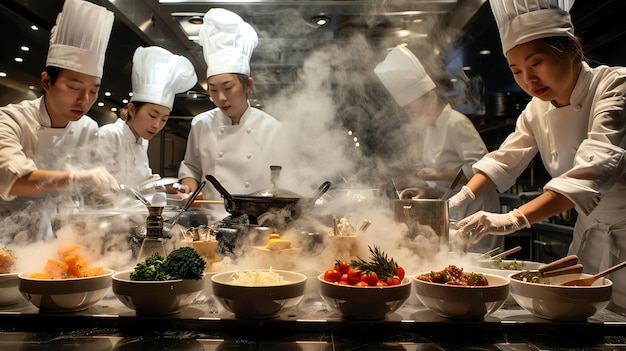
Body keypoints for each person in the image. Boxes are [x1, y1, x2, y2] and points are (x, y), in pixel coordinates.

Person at [451, 0, 626, 311]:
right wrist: (459, 198)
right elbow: (506, 158)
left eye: (536, 63)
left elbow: (591, 173)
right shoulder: (537, 109)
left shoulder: (614, 86)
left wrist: (513, 218)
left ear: (572, 48)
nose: (528, 80)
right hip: (586, 246)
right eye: (516, 70)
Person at [0, 0, 119, 242]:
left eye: (93, 91)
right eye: (74, 87)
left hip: (57, 237)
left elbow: (90, 195)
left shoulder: (88, 128)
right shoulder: (10, 119)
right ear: (46, 82)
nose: (84, 100)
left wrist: (113, 197)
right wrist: (76, 177)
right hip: (5, 237)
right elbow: (12, 180)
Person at [374, 45, 502, 252]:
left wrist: (440, 174)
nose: (409, 113)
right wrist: (427, 190)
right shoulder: (430, 130)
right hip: (456, 206)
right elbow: (447, 185)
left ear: (431, 97)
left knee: (476, 260)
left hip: (477, 205)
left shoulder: (455, 122)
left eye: (412, 106)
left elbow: (482, 169)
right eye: (406, 109)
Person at [177, 8, 282, 203]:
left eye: (228, 87)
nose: (221, 98)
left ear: (247, 85)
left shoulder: (271, 128)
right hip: (210, 223)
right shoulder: (201, 124)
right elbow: (191, 166)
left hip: (256, 221)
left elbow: (284, 181)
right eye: (214, 89)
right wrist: (189, 186)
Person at [97, 46, 197, 189]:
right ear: (132, 109)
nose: (157, 125)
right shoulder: (109, 134)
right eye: (152, 115)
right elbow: (99, 186)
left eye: (164, 119)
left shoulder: (143, 141)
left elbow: (138, 186)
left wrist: (155, 185)